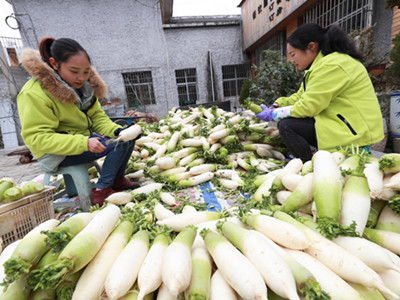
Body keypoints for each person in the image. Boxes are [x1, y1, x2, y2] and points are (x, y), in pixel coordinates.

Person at [17, 37, 139, 206]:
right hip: (55, 153)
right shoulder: (33, 93)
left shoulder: (85, 88)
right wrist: (84, 142)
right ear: (54, 63)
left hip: (81, 142)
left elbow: (97, 117)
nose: (81, 77)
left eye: (86, 71)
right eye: (74, 71)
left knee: (125, 136)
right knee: (118, 144)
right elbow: (38, 138)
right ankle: (102, 190)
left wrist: (116, 131)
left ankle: (117, 180)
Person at [255, 23, 384, 162]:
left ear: (311, 47)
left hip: (352, 132)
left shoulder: (332, 65)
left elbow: (308, 107)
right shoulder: (319, 66)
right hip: (339, 125)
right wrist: (277, 104)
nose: (292, 60)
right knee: (290, 121)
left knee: (287, 126)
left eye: (293, 55)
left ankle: (308, 165)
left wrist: (273, 115)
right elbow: (301, 97)